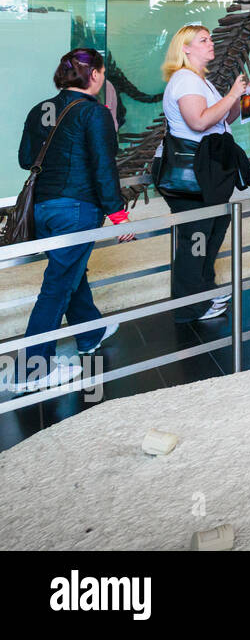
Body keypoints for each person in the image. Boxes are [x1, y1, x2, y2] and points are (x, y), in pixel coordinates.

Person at [14, 49, 134, 392]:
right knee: (57, 286)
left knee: (70, 272)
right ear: (94, 74)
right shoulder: (94, 114)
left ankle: (89, 332)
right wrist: (119, 214)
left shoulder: (42, 109)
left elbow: (26, 159)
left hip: (42, 209)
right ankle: (32, 370)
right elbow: (103, 168)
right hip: (76, 210)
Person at [156, 25, 247, 322]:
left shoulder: (201, 81)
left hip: (207, 171)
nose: (211, 44)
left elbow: (222, 118)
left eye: (210, 39)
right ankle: (190, 306)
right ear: (185, 48)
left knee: (213, 229)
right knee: (195, 237)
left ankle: (204, 291)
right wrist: (232, 93)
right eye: (203, 40)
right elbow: (198, 122)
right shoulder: (185, 80)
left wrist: (239, 98)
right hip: (189, 174)